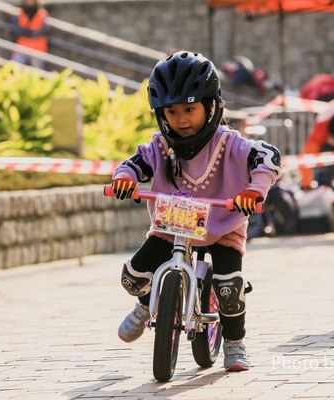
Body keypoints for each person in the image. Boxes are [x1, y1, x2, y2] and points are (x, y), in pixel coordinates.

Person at [110, 51, 282, 372]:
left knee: (229, 288)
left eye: (190, 109)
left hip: (223, 226)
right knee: (132, 278)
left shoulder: (230, 143)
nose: (181, 119)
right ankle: (147, 304)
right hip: (172, 225)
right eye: (172, 111)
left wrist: (254, 191)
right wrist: (125, 179)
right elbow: (134, 164)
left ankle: (234, 343)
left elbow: (268, 157)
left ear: (211, 106)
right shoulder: (160, 146)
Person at [10, 0, 49, 69]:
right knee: (14, 66)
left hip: (38, 49)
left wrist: (30, 33)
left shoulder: (42, 14)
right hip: (22, 47)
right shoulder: (19, 14)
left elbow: (44, 30)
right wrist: (30, 32)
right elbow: (16, 29)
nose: (29, 2)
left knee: (37, 71)